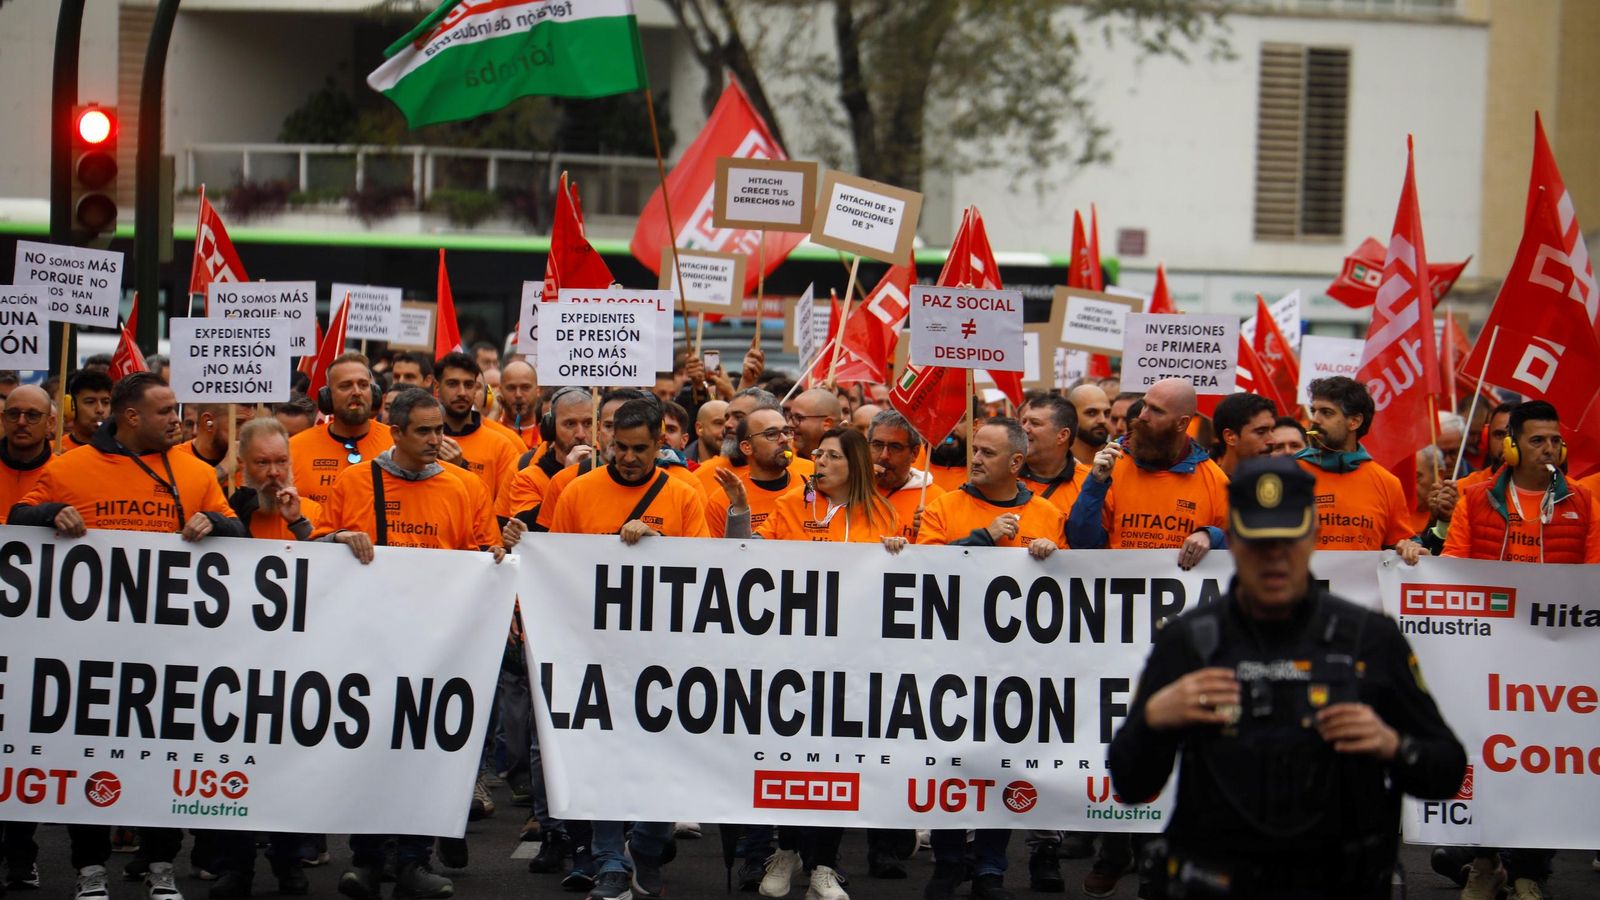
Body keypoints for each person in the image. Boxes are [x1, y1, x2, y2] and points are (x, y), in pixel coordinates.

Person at [1108, 457, 1467, 899]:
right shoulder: (1188, 641)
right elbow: (1131, 784)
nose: (1274, 557)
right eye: (1259, 543)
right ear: (1233, 541)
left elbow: (1446, 772)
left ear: (1313, 536)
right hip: (1218, 882)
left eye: (1287, 540)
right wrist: (1152, 721)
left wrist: (1394, 745)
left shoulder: (1369, 638)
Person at [11, 372, 248, 900]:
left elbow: (239, 531)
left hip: (170, 654)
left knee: (163, 762)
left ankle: (162, 865)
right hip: (91, 654)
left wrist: (215, 522)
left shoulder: (194, 472)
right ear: (131, 416)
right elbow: (19, 516)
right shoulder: (70, 468)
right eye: (165, 411)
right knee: (89, 760)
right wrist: (51, 513)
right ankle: (90, 869)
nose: (177, 420)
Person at [316, 387, 503, 900]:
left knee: (425, 753)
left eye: (439, 429)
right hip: (370, 645)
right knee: (372, 752)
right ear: (395, 432)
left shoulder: (464, 487)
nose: (435, 439)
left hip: (439, 647)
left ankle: (414, 861)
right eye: (423, 431)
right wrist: (335, 540)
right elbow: (315, 548)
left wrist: (496, 556)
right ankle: (368, 861)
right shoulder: (355, 482)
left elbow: (482, 556)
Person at [721, 428, 903, 900]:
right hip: (792, 659)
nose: (818, 462)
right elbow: (745, 559)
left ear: (854, 465)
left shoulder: (884, 513)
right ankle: (787, 849)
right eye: (818, 454)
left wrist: (901, 553)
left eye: (831, 456)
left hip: (854, 662)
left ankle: (823, 865)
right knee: (791, 758)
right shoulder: (791, 507)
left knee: (837, 764)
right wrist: (739, 508)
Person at [547, 399, 708, 900]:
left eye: (641, 448)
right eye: (620, 447)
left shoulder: (684, 495)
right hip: (596, 649)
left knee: (664, 754)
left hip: (666, 653)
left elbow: (706, 570)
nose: (629, 458)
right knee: (603, 756)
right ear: (607, 440)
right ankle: (610, 861)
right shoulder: (578, 492)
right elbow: (555, 566)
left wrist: (660, 544)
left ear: (661, 443)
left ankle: (648, 843)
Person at [916, 419, 1057, 900]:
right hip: (950, 663)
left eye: (988, 453)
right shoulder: (945, 506)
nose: (975, 459)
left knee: (1003, 765)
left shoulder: (1047, 514)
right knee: (949, 763)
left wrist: (1054, 555)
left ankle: (990, 869)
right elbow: (924, 571)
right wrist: (983, 538)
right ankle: (948, 861)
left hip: (1017, 668)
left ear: (1016, 463)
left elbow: (1069, 590)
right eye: (975, 450)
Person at [1068, 378, 1229, 571]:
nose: (1143, 415)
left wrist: (1211, 536)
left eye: (1156, 410)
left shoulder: (1213, 479)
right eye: (1144, 405)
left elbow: (1241, 549)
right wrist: (1095, 485)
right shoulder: (1112, 464)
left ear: (1182, 423)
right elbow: (1081, 544)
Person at [1443, 401, 1598, 564]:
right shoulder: (1474, 501)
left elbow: (1595, 572)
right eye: (1537, 441)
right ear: (1512, 447)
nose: (1549, 449)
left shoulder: (1584, 504)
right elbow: (1453, 567)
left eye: (1555, 440)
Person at [1296, 377, 1424, 562]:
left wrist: (1411, 548)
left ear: (1354, 421)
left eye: (1326, 412)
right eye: (1313, 411)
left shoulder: (1387, 483)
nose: (1314, 420)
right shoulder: (1288, 473)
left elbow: (1401, 545)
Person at [289, 353, 392, 507]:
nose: (356, 392)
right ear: (327, 396)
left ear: (375, 393)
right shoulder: (295, 448)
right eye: (346, 385)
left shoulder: (396, 444)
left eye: (363, 385)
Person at [435, 352, 522, 512]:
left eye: (469, 385)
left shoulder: (501, 447)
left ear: (476, 389)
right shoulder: (421, 441)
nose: (462, 392)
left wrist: (461, 469)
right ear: (437, 388)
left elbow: (504, 512)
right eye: (453, 384)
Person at [704, 402, 795, 538]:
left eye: (787, 432)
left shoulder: (810, 485)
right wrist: (738, 510)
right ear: (747, 447)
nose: (784, 439)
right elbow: (717, 551)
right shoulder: (724, 499)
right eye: (771, 434)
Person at [227, 418, 322, 541]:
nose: (273, 472)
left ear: (290, 461)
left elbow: (322, 552)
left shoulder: (311, 512)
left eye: (281, 461)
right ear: (242, 463)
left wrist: (298, 522)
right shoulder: (228, 513)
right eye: (262, 462)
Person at [869, 408, 944, 542]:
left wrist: (930, 532)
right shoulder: (848, 490)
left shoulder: (936, 500)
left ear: (915, 453)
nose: (884, 455)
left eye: (895, 447)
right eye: (877, 445)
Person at [1017, 394, 1087, 514]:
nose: (1024, 429)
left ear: (1062, 435)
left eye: (1035, 423)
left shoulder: (1087, 484)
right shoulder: (1004, 476)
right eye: (1023, 422)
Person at [0, 385, 54, 512]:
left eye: (33, 415)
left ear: (50, 423)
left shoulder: (62, 473)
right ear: (3, 419)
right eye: (13, 414)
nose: (21, 422)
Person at [1211, 392, 1278, 478]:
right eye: (1261, 432)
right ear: (1230, 437)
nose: (1272, 441)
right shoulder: (1207, 483)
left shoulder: (1280, 484)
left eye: (1272, 431)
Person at [61, 369, 113, 451]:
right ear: (72, 406)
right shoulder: (53, 450)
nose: (100, 410)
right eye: (90, 402)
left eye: (106, 402)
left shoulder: (124, 451)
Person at [788, 388, 842, 461]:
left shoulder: (846, 463)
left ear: (827, 424)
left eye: (799, 418)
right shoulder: (785, 460)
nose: (790, 424)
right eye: (790, 417)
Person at [497, 359, 541, 449]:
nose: (518, 395)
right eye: (511, 388)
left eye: (525, 387)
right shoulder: (492, 430)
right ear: (500, 391)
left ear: (538, 390)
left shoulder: (550, 434)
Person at [1067, 383, 1112, 466]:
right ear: (1071, 416)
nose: (1102, 420)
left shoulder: (1122, 461)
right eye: (1092, 413)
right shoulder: (1053, 466)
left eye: (1106, 413)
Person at [686, 399, 727, 466]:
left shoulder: (743, 463)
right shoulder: (681, 466)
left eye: (728, 424)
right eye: (718, 423)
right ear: (699, 428)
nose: (726, 431)